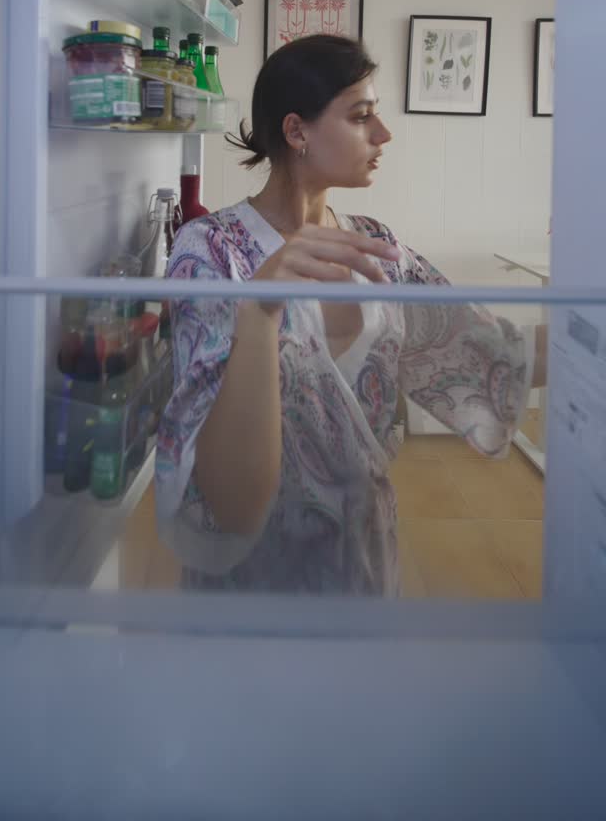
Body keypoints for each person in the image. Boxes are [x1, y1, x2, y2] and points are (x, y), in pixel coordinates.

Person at [155, 35, 546, 594]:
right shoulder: (212, 252)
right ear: (297, 131)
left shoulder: (373, 244)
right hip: (251, 584)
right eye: (362, 117)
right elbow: (232, 499)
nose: (383, 134)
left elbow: (494, 350)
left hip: (362, 565)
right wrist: (261, 312)